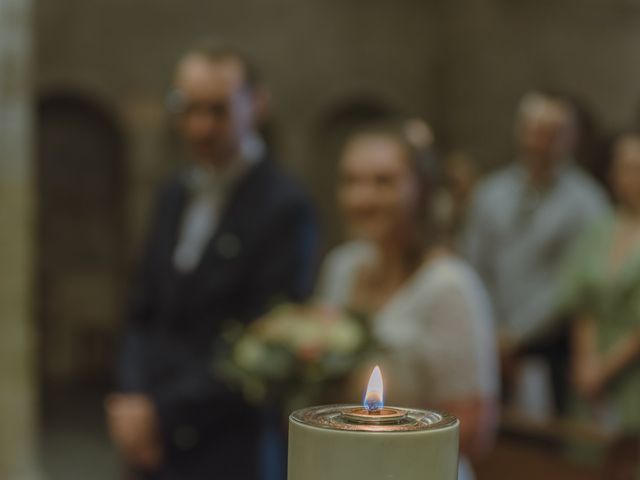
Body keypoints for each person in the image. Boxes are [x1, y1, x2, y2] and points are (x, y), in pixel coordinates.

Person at [105, 43, 318, 480]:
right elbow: (142, 309)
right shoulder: (174, 192)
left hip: (229, 444)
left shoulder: (285, 205)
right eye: (188, 108)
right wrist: (129, 397)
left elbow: (265, 341)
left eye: (218, 110)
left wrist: (163, 413)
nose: (200, 127)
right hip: (149, 437)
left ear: (256, 104)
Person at [317, 121, 499, 480]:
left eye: (383, 182)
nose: (361, 198)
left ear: (421, 189)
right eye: (350, 181)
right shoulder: (340, 267)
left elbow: (476, 430)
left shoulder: (449, 287)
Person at [462, 91, 609, 414]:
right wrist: (490, 329)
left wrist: (515, 336)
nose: (540, 142)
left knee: (540, 447)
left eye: (552, 133)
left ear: (572, 138)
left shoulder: (588, 203)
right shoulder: (491, 192)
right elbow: (475, 264)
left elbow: (570, 284)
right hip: (486, 337)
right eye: (534, 130)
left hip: (549, 345)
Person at [559, 130, 640, 436]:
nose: (630, 178)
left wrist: (604, 371)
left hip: (630, 371)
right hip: (590, 370)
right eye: (624, 167)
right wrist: (586, 363)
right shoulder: (601, 226)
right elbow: (583, 301)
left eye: (637, 168)